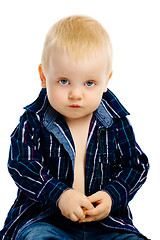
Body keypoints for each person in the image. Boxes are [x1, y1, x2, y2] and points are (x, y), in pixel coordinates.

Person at [0, 15, 149, 240]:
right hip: (47, 219)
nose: (76, 94)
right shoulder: (33, 121)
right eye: (63, 81)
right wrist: (60, 196)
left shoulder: (115, 122)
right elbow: (22, 165)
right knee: (37, 238)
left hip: (105, 224)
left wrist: (111, 197)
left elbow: (135, 166)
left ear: (106, 81)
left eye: (89, 83)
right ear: (43, 76)